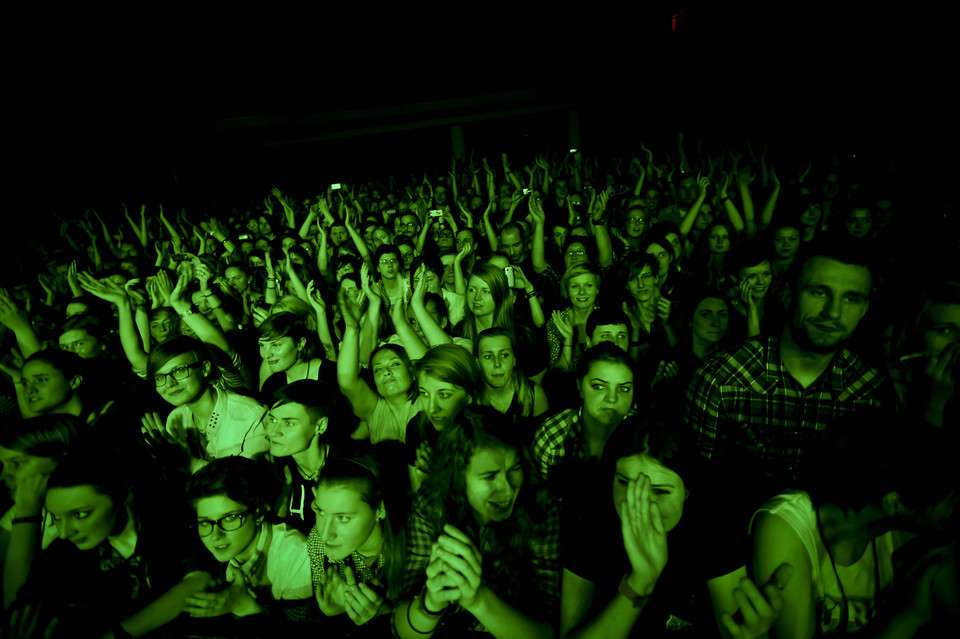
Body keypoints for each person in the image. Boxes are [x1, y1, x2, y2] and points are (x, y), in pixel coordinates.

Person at [684, 239, 898, 524]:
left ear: (865, 309)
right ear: (787, 294)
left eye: (851, 298)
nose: (833, 312)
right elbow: (694, 487)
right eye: (819, 292)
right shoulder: (721, 379)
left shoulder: (873, 393)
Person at [560, 415, 792, 638]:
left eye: (660, 491)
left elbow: (735, 628)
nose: (640, 503)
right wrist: (639, 582)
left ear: (688, 490)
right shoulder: (587, 520)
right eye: (624, 482)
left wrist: (751, 634)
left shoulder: (714, 528)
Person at [749, 413, 958, 636]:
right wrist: (908, 616)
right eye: (952, 500)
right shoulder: (786, 524)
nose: (957, 511)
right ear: (895, 503)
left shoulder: (906, 536)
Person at [394, 406, 559, 638]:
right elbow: (403, 630)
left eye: (515, 469)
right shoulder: (430, 504)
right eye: (489, 476)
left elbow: (547, 632)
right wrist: (430, 602)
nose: (508, 488)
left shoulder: (540, 505)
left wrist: (478, 599)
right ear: (458, 476)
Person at [22, 453, 209, 638]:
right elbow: (23, 606)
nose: (64, 532)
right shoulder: (61, 554)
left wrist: (117, 635)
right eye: (56, 517)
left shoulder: (167, 518)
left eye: (80, 515)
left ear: (124, 495)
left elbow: (199, 580)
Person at [185, 456, 313, 622]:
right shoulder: (221, 559)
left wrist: (248, 607)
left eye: (230, 518)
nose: (215, 535)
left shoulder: (297, 556)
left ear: (258, 513)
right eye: (205, 522)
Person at [308, 447, 411, 632]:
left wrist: (383, 613)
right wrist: (333, 615)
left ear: (380, 509)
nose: (325, 534)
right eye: (321, 512)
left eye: (343, 518)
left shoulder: (415, 548)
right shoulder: (317, 540)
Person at [141, 336, 269, 471]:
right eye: (160, 377)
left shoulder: (250, 416)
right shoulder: (176, 419)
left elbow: (244, 484)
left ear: (205, 369)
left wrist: (190, 464)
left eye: (179, 370)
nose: (170, 383)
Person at [0, 415, 89, 609]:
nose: (3, 476)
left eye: (17, 463)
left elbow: (16, 604)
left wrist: (27, 513)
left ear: (62, 461)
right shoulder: (20, 507)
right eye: (4, 465)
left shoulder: (81, 519)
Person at [532, 343, 635, 485]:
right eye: (599, 386)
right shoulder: (551, 437)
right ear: (580, 387)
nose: (612, 398)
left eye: (623, 389)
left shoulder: (643, 435)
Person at [263, 380, 340, 534]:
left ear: (320, 426)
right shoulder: (278, 469)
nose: (273, 432)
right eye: (272, 420)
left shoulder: (345, 469)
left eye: (289, 423)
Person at [407, 344, 484, 490]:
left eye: (444, 395)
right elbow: (419, 497)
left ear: (469, 395)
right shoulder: (418, 428)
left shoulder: (490, 434)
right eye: (424, 393)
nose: (431, 408)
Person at [257, 311, 335, 402]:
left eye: (276, 345)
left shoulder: (331, 375)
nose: (266, 355)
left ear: (300, 344)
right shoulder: (272, 385)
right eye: (262, 345)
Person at [475, 328, 548, 422]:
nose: (497, 364)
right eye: (488, 357)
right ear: (477, 363)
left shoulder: (534, 395)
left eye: (504, 355)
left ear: (514, 359)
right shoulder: (469, 398)